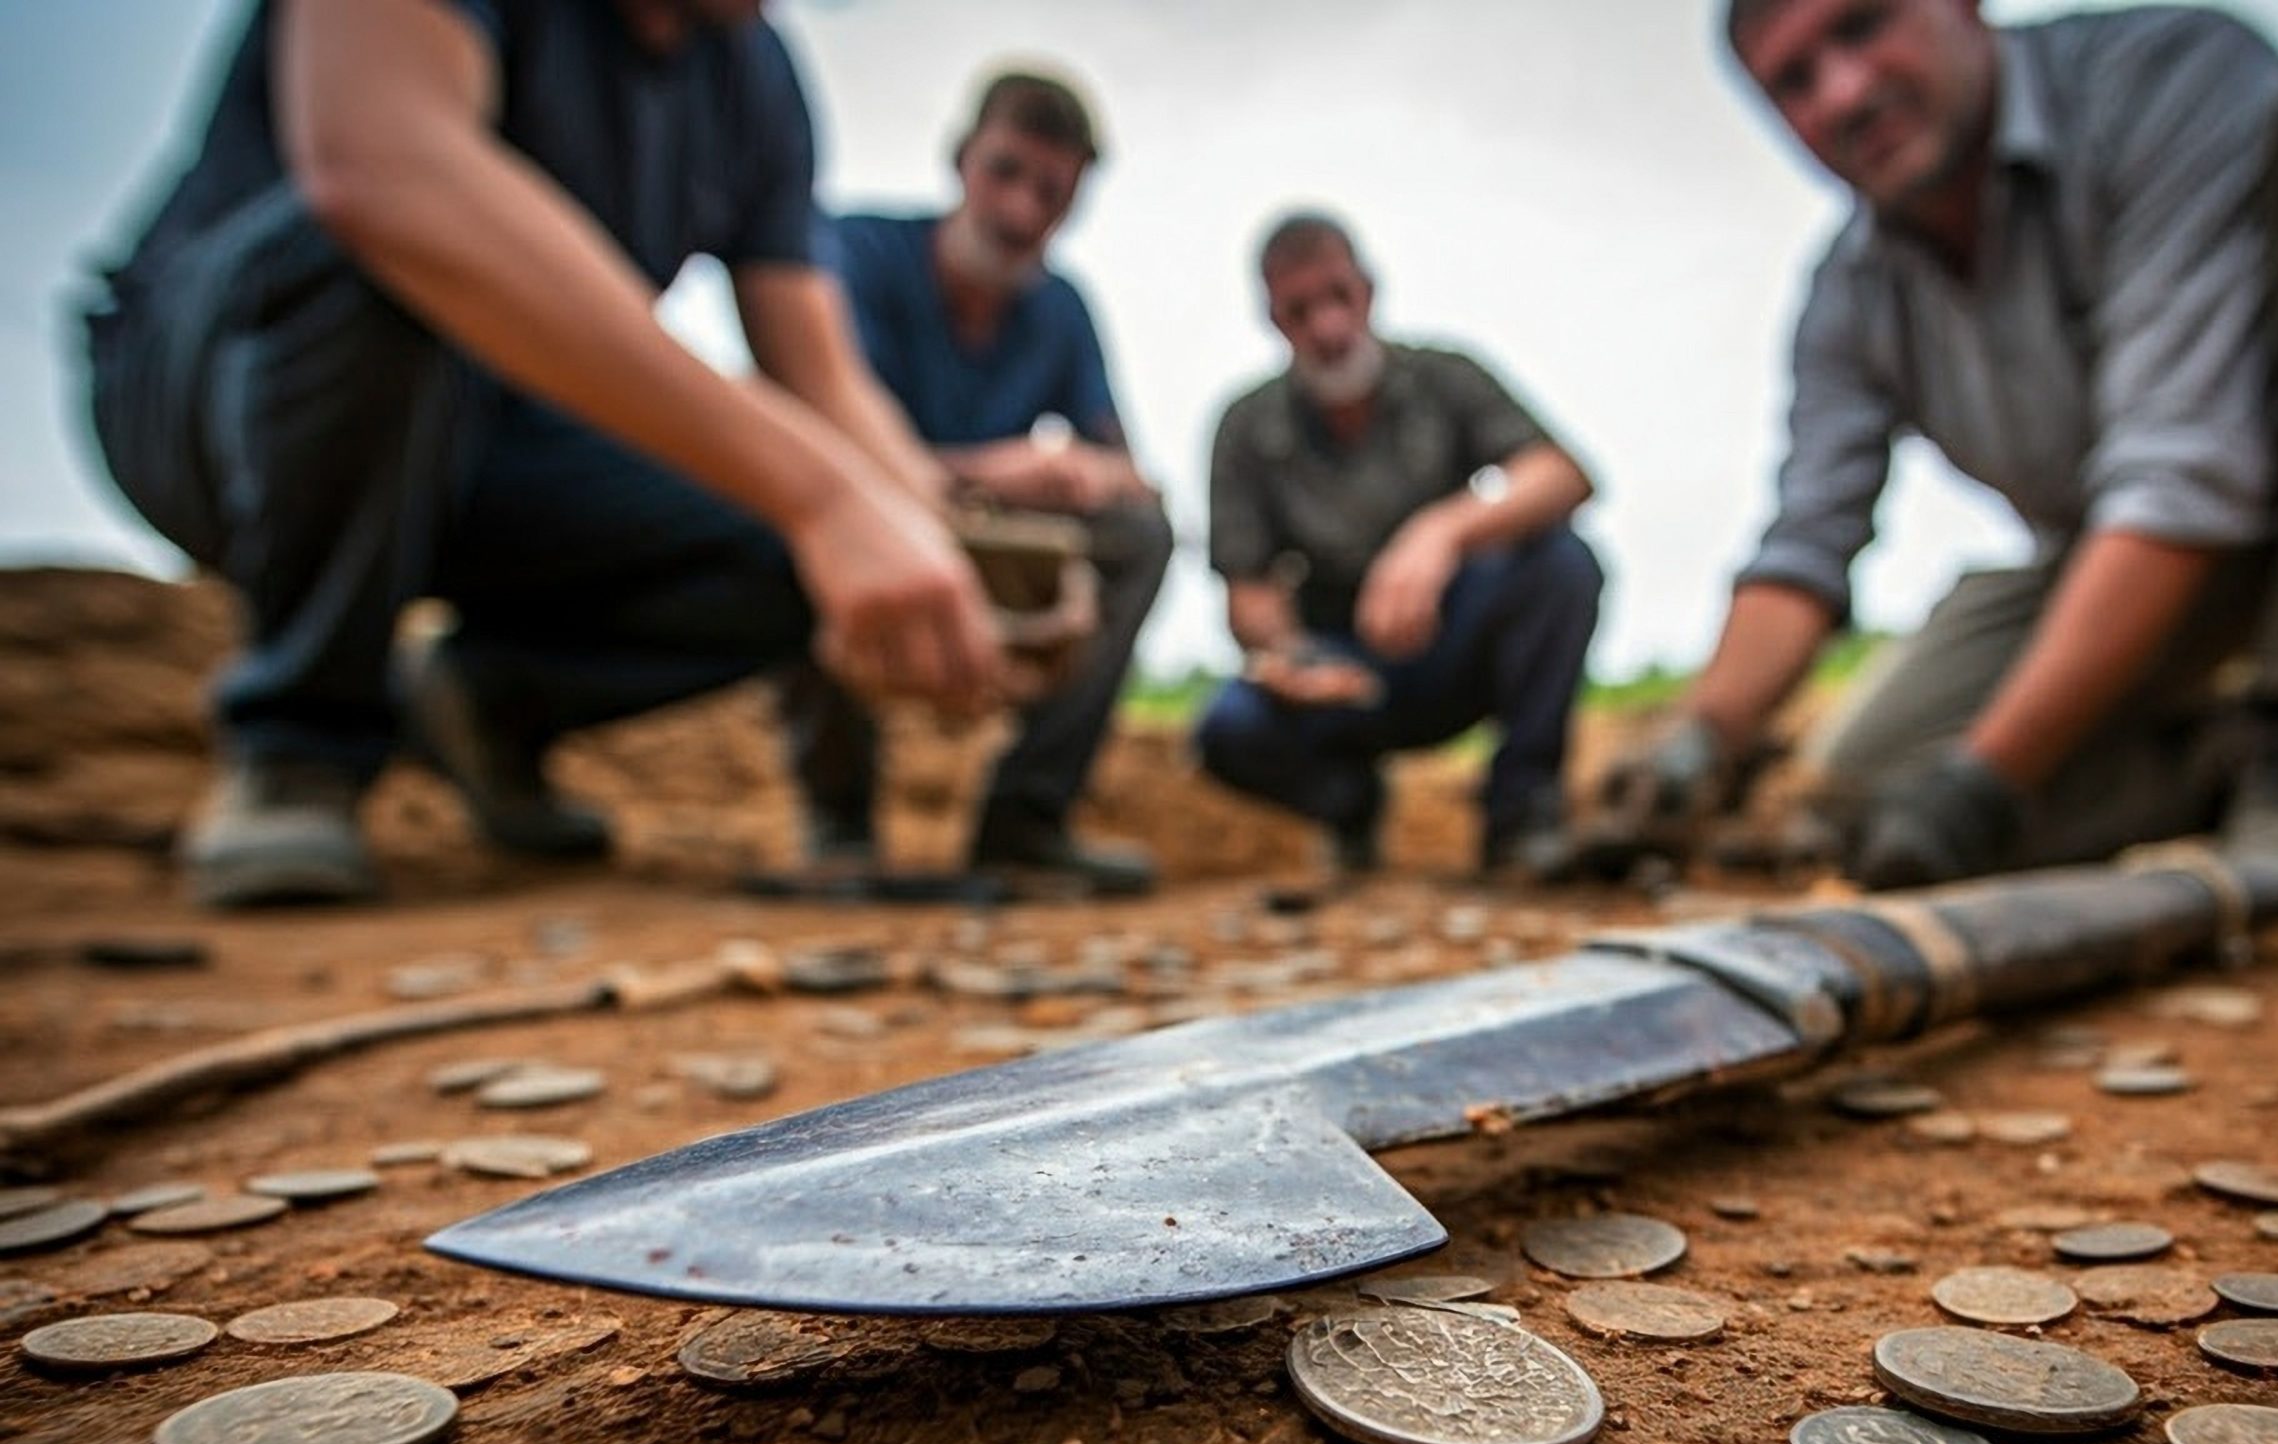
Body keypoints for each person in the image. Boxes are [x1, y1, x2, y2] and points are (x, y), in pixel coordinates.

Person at [1600, 0, 2278, 911]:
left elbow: (2181, 472)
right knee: (1873, 780)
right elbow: (1806, 547)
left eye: (1863, 25)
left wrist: (1988, 779)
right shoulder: (1851, 296)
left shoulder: (2160, 80)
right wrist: (1693, 748)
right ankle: (2228, 764)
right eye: (1795, 83)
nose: (1844, 93)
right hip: (2137, 559)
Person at [82, 0, 1000, 908]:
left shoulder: (754, 77)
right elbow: (383, 173)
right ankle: (298, 744)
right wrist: (825, 497)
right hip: (235, 392)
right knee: (403, 246)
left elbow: (823, 379)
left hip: (501, 456)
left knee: (797, 549)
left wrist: (949, 541)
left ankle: (487, 702)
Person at [790, 68, 1169, 897]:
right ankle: (838, 818)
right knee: (790, 495)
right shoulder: (854, 253)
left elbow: (1127, 474)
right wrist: (984, 467)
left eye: (1052, 193)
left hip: (990, 538)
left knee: (1141, 538)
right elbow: (808, 423)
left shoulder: (1064, 311)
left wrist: (1090, 477)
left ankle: (1024, 821)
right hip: (859, 512)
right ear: (961, 160)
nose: (1022, 211)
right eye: (1006, 173)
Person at [1195, 213, 1603, 880]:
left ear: (1369, 289)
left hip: (1455, 642)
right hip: (1345, 675)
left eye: (1338, 297)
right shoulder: (1244, 428)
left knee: (1562, 563)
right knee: (1229, 726)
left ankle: (1523, 811)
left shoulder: (1446, 377)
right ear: (1272, 319)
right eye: (1300, 311)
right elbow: (1248, 588)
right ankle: (1348, 805)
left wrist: (1438, 533)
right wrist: (1287, 656)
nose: (1327, 328)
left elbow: (1563, 475)